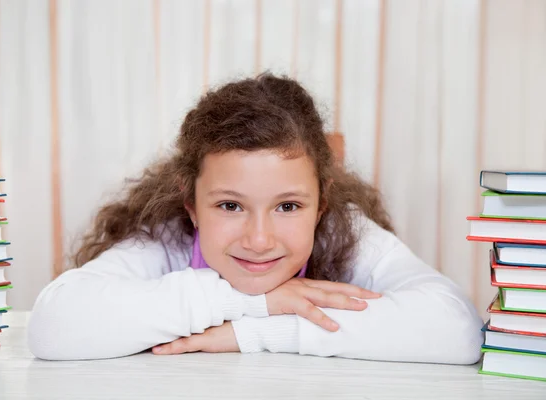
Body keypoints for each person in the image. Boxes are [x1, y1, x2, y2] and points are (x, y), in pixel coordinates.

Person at [27, 73, 483, 363]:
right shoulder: (168, 238)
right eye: (230, 206)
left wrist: (253, 333)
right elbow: (54, 326)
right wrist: (259, 301)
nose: (260, 239)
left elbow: (458, 329)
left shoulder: (345, 233)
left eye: (288, 206)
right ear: (191, 205)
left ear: (321, 204)